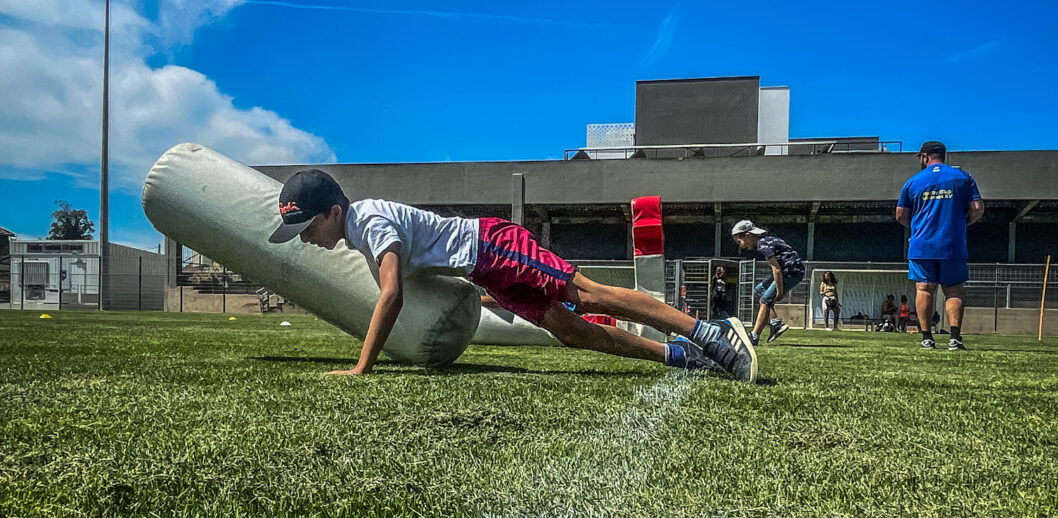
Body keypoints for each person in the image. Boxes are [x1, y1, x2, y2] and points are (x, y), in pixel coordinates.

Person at [268, 169, 757, 380]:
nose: (307, 238)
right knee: (572, 332)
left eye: (307, 226)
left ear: (333, 211)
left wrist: (361, 368)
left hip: (492, 246)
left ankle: (708, 335)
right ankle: (679, 357)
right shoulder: (355, 232)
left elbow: (392, 294)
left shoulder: (368, 221)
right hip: (486, 272)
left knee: (588, 297)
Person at [896, 140, 985, 350]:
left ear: (925, 157)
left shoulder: (914, 181)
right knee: (954, 291)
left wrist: (917, 228)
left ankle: (926, 338)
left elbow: (900, 215)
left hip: (922, 245)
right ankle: (954, 338)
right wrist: (963, 223)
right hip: (952, 243)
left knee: (924, 289)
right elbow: (978, 208)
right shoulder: (963, 177)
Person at [731, 219, 805, 345]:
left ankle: (754, 337)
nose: (741, 245)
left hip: (791, 272)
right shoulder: (767, 240)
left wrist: (780, 292)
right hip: (788, 270)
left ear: (748, 236)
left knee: (765, 300)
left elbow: (776, 270)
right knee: (758, 290)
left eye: (740, 241)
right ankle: (775, 323)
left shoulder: (762, 245)